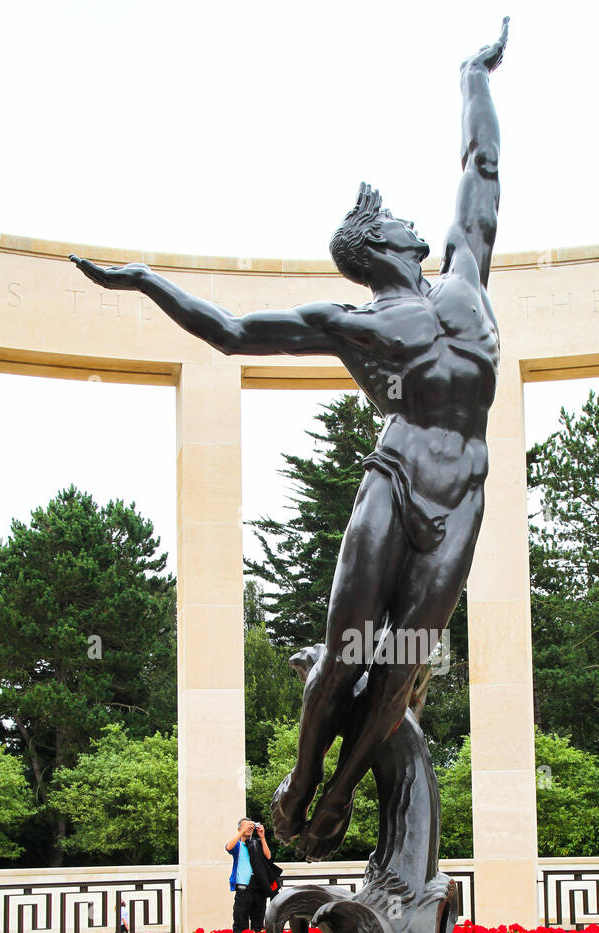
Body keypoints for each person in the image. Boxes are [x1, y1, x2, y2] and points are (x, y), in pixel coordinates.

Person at [70, 19, 509, 862]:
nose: (421, 222)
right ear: (380, 245)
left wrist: (472, 75)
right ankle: (303, 778)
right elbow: (231, 331)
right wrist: (143, 281)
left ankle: (342, 792)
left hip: (464, 499)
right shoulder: (349, 322)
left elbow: (481, 165)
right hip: (396, 478)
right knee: (348, 650)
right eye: (401, 221)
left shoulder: (466, 273)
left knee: (406, 664)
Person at [225, 817, 281, 933]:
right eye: (246, 826)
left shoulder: (256, 844)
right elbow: (228, 847)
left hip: (259, 887)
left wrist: (262, 837)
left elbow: (268, 856)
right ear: (239, 828)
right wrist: (241, 832)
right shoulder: (238, 845)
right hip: (243, 888)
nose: (249, 828)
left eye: (251, 826)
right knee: (240, 923)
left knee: (258, 924)